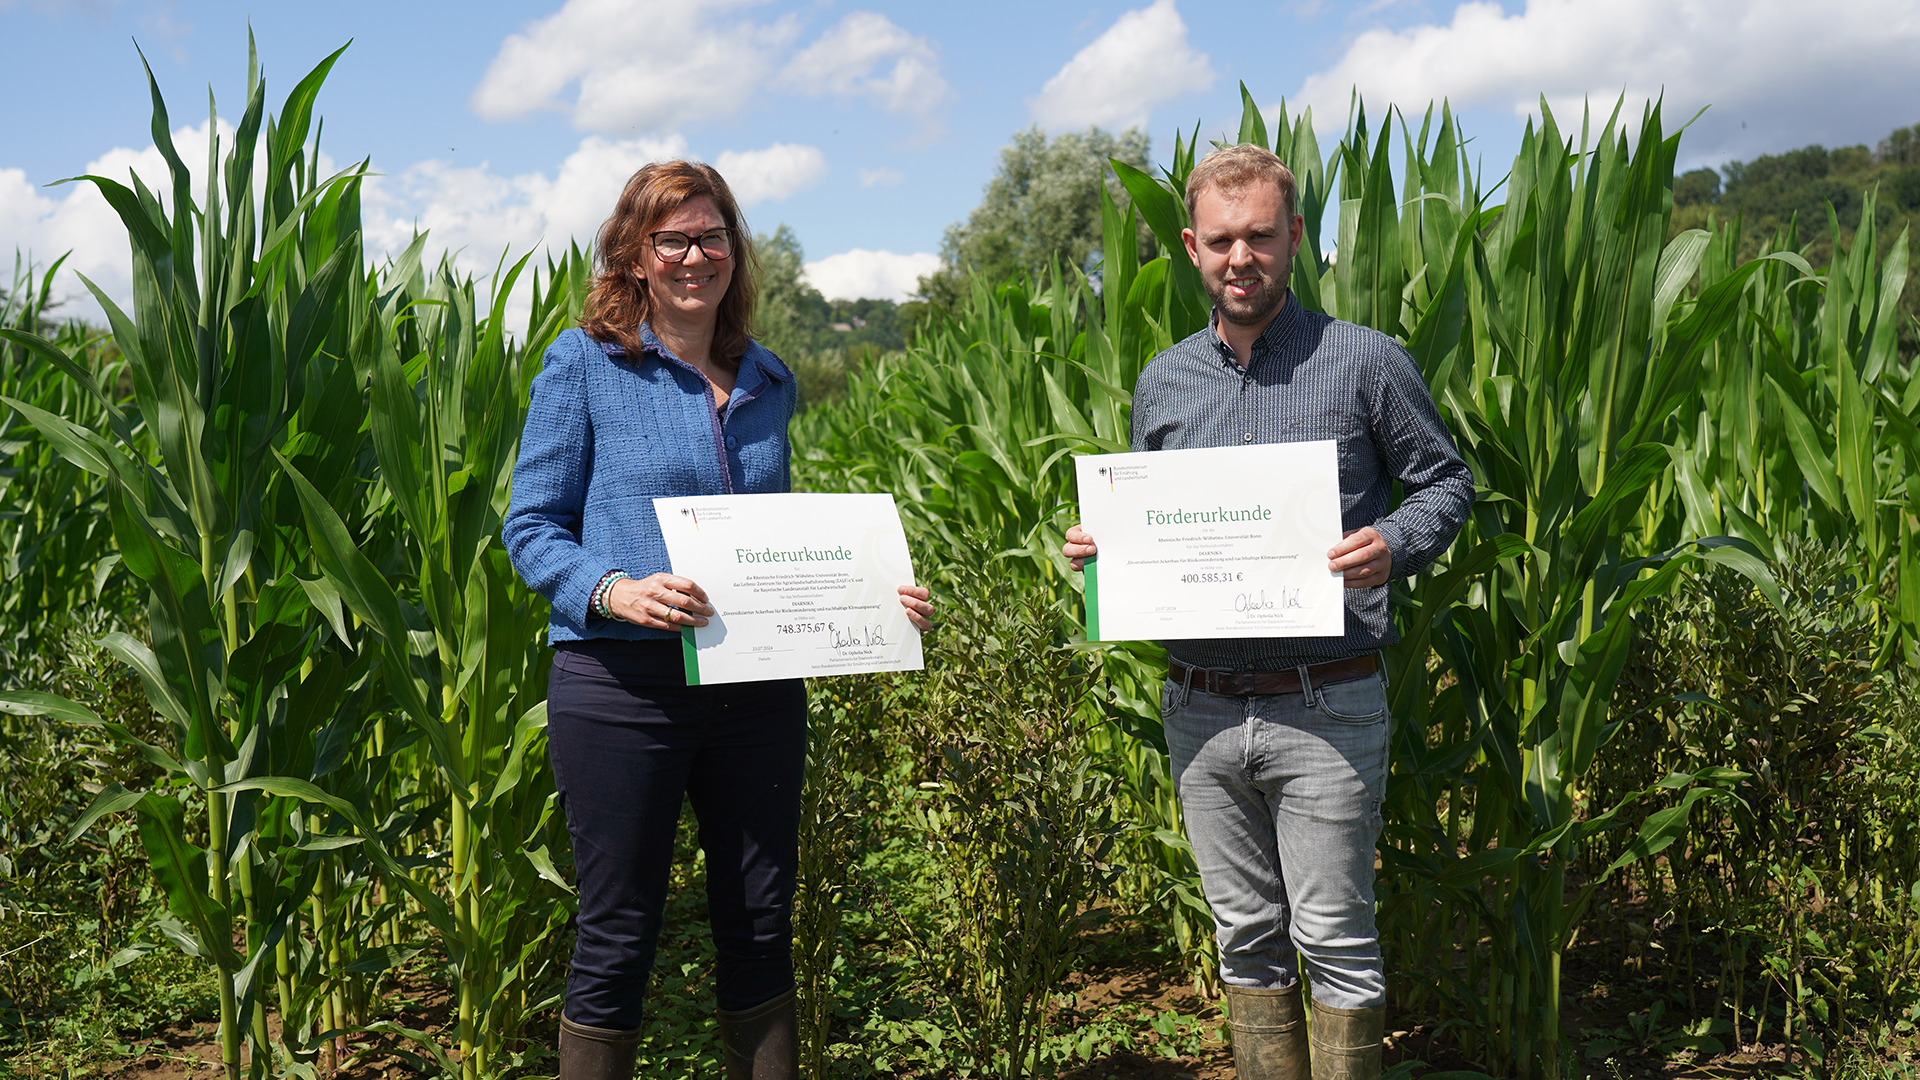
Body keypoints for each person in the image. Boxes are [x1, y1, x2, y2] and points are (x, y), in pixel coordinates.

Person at [502, 160, 934, 1080]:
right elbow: (530, 526)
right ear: (633, 254)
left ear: (734, 249)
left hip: (754, 687)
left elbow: (775, 543)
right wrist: (610, 588)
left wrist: (875, 601)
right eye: (672, 239)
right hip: (621, 688)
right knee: (619, 930)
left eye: (711, 236)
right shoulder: (585, 364)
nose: (694, 256)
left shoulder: (768, 378)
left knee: (759, 922)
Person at [1061, 145, 1472, 1080]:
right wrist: (1104, 550)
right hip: (1199, 703)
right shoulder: (1164, 381)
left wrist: (1394, 544)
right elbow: (1158, 527)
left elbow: (1448, 482)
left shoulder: (1364, 361)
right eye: (1220, 241)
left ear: (1294, 235)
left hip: (1325, 699)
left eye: (1258, 236)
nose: (1239, 257)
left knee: (1334, 935)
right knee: (1244, 937)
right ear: (1190, 248)